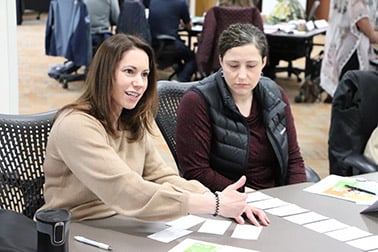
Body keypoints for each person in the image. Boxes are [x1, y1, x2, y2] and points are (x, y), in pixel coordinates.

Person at [37, 33, 270, 226]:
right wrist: (213, 205)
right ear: (105, 73)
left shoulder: (130, 119)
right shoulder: (76, 125)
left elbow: (160, 175)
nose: (139, 83)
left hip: (125, 220)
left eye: (145, 74)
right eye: (129, 71)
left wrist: (220, 200)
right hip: (80, 228)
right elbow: (124, 189)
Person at [176, 23, 307, 192]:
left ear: (264, 62)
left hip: (275, 197)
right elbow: (196, 171)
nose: (242, 75)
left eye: (251, 66)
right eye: (233, 66)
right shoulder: (197, 101)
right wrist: (246, 194)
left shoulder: (275, 93)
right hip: (226, 201)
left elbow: (293, 159)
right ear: (221, 61)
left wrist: (298, 196)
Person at [320, 0, 378, 102]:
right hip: (352, 48)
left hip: (341, 42)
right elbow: (359, 15)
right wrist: (373, 35)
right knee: (351, 101)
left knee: (343, 100)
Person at [195, 1, 264, 77]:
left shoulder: (215, 11)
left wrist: (203, 61)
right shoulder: (253, 12)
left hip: (220, 57)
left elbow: (208, 37)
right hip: (247, 57)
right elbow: (260, 37)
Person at [148, 0, 197, 82]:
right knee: (193, 59)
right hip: (171, 45)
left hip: (154, 44)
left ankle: (179, 77)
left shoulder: (153, 1)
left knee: (181, 55)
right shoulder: (180, 3)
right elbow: (189, 26)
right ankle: (181, 83)